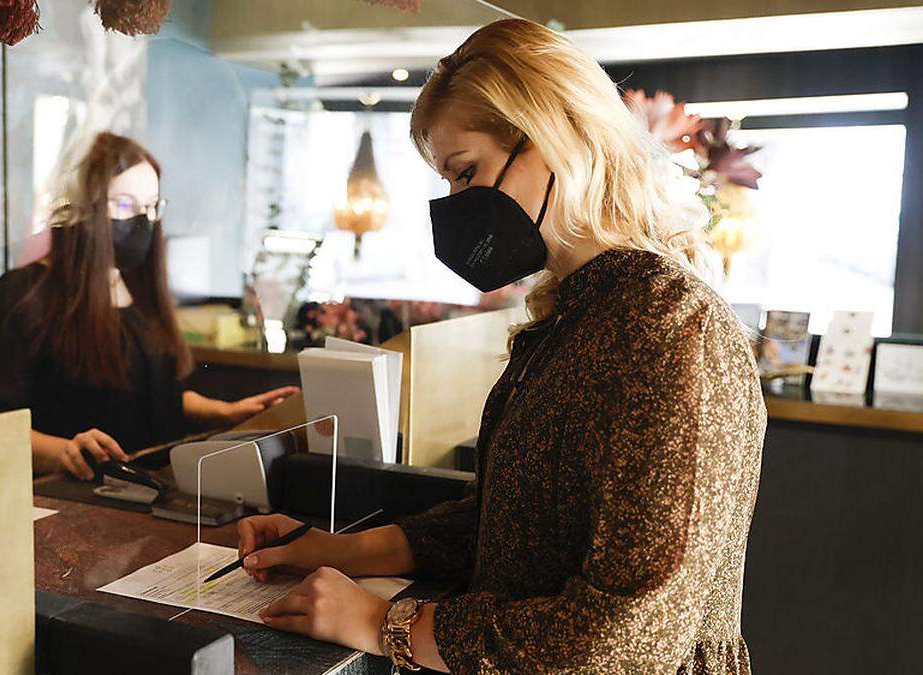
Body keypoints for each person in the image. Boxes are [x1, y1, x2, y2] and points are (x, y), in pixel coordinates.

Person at [235, 19, 765, 674]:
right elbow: (507, 525)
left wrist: (382, 623)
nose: (456, 203)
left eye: (467, 172)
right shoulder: (572, 314)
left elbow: (627, 637)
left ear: (555, 138)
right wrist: (338, 549)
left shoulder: (666, 327)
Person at [0, 132, 296, 480]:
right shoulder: (27, 294)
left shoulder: (138, 290)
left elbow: (153, 393)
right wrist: (65, 452)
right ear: (83, 208)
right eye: (125, 205)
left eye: (152, 206)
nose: (143, 220)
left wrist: (225, 412)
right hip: (76, 494)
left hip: (153, 484)